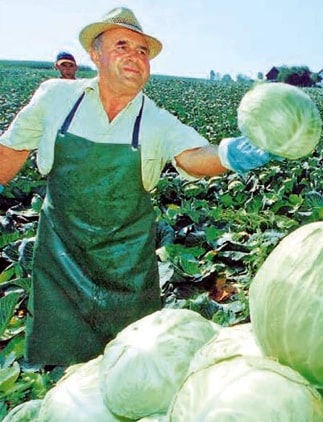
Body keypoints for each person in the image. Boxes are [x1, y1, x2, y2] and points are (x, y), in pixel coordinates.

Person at [0, 7, 277, 366]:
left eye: (142, 51)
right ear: (95, 55)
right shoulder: (56, 99)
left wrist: (229, 153)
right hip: (61, 264)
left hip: (127, 269)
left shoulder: (155, 119)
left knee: (131, 372)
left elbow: (192, 155)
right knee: (59, 374)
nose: (135, 57)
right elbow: (8, 155)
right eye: (122, 46)